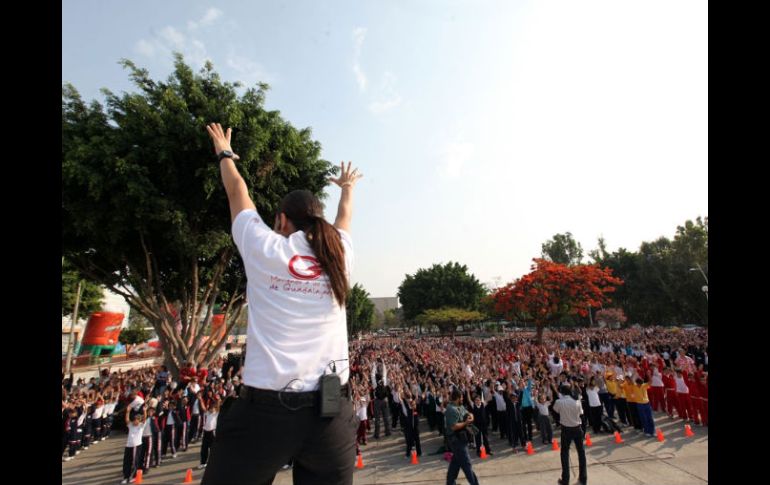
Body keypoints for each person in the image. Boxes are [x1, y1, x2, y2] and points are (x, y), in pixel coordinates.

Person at [200, 123, 362, 485]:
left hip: (266, 414)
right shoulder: (340, 255)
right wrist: (348, 188)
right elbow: (345, 217)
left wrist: (225, 153)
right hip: (331, 411)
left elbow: (236, 190)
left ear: (282, 220)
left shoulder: (266, 248)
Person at [444, 388, 480, 485]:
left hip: (462, 439)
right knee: (466, 463)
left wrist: (471, 416)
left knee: (455, 463)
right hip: (456, 440)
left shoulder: (459, 406)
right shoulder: (451, 409)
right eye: (461, 397)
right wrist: (465, 423)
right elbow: (453, 426)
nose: (463, 399)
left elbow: (468, 413)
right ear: (457, 398)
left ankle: (450, 482)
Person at [553, 384, 587, 485]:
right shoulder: (577, 401)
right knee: (581, 453)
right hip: (577, 427)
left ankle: (565, 479)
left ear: (562, 392)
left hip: (566, 429)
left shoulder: (559, 402)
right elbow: (581, 413)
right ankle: (583, 478)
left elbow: (555, 410)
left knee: (564, 453)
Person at [122, 406, 147, 484]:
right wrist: (128, 411)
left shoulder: (141, 426)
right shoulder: (131, 425)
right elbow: (126, 420)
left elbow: (144, 419)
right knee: (126, 462)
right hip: (128, 445)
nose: (135, 421)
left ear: (139, 420)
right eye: (134, 419)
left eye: (137, 419)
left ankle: (134, 476)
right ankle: (126, 477)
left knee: (134, 462)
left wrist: (144, 411)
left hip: (136, 446)